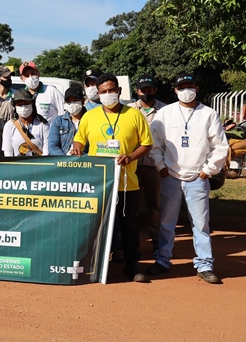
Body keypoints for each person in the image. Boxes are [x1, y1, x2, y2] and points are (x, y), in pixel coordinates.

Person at [146, 74, 228, 284]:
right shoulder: (165, 113)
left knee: (200, 224)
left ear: (197, 88)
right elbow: (155, 144)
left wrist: (208, 170)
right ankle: (163, 260)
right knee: (167, 222)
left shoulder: (208, 114)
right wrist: (161, 167)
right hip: (171, 176)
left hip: (197, 178)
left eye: (190, 86)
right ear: (175, 90)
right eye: (181, 87)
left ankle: (204, 264)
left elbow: (219, 146)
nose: (186, 90)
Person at [72, 73, 153, 282]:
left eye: (111, 90)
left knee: (129, 227)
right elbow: (79, 140)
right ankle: (94, 265)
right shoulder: (89, 116)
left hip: (127, 183)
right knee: (95, 226)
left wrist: (131, 156)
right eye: (103, 92)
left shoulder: (134, 115)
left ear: (119, 91)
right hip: (98, 184)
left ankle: (131, 265)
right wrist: (78, 149)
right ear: (97, 95)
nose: (108, 94)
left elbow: (147, 144)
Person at [129, 74, 166, 251]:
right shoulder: (128, 110)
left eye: (150, 90)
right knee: (131, 205)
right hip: (132, 164)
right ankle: (131, 240)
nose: (146, 93)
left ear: (155, 90)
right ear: (137, 91)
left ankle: (156, 239)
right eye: (143, 90)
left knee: (155, 205)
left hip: (154, 165)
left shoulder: (165, 111)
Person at [2, 89, 49, 156]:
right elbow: (8, 153)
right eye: (20, 104)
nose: (23, 107)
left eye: (26, 104)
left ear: (32, 104)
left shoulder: (43, 125)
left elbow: (46, 151)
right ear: (15, 106)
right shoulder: (9, 126)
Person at [48, 87, 86, 155]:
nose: (72, 104)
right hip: (62, 162)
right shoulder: (58, 121)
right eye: (69, 101)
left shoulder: (90, 120)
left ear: (83, 101)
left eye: (75, 100)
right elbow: (52, 146)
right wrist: (65, 160)